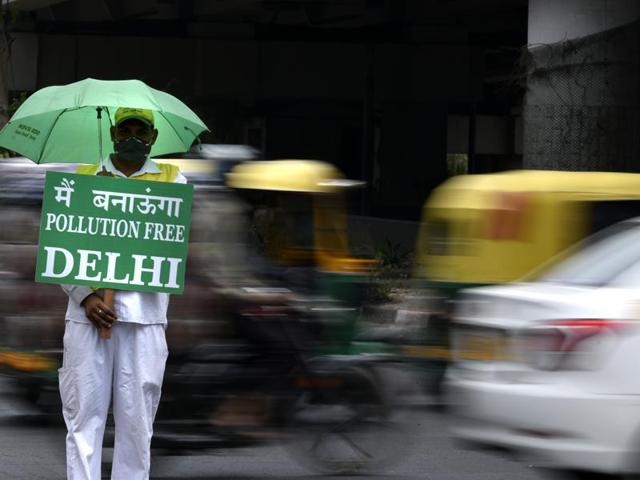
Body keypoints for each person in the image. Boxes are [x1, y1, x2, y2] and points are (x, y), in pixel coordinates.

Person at [59, 107, 187, 480]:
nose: (133, 137)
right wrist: (85, 296)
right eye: (125, 129)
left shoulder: (174, 180)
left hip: (145, 319)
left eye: (141, 131)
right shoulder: (83, 177)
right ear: (113, 133)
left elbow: (172, 242)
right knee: (84, 418)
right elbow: (59, 244)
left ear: (153, 138)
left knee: (136, 424)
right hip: (87, 317)